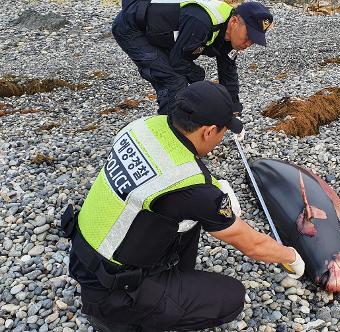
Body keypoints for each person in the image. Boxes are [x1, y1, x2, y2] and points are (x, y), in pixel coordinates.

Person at [61, 81, 304, 332]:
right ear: (208, 131)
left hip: (84, 256)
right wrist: (291, 256)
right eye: (223, 133)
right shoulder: (193, 188)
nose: (222, 139)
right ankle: (128, 320)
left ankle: (167, 285)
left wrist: (213, 189)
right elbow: (251, 243)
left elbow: (158, 183)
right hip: (113, 291)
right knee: (232, 297)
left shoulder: (141, 127)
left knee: (189, 220)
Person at [112, 0, 273, 115]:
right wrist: (199, 77)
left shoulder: (231, 39)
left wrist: (233, 109)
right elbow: (178, 62)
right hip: (132, 28)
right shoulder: (201, 21)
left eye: (254, 40)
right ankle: (169, 138)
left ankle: (177, 124)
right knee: (173, 81)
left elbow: (228, 71)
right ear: (234, 21)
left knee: (179, 79)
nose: (249, 43)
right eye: (249, 36)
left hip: (164, 33)